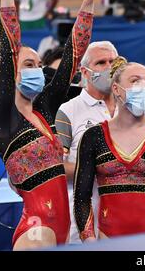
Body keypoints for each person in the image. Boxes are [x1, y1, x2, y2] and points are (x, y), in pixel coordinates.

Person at [0, 0, 96, 250]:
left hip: (64, 227)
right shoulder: (4, 114)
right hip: (37, 228)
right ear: (10, 71)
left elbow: (74, 54)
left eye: (38, 64)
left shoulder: (45, 108)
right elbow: (11, 44)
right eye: (28, 64)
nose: (37, 70)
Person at [74, 57, 145, 241]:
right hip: (107, 240)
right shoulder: (93, 137)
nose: (144, 87)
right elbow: (81, 198)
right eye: (135, 81)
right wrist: (90, 241)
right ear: (116, 89)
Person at [55, 41, 118, 243]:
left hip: (123, 216)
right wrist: (99, 168)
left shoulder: (130, 108)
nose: (109, 67)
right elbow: (57, 167)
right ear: (85, 71)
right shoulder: (68, 110)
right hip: (83, 218)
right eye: (101, 62)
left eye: (113, 62)